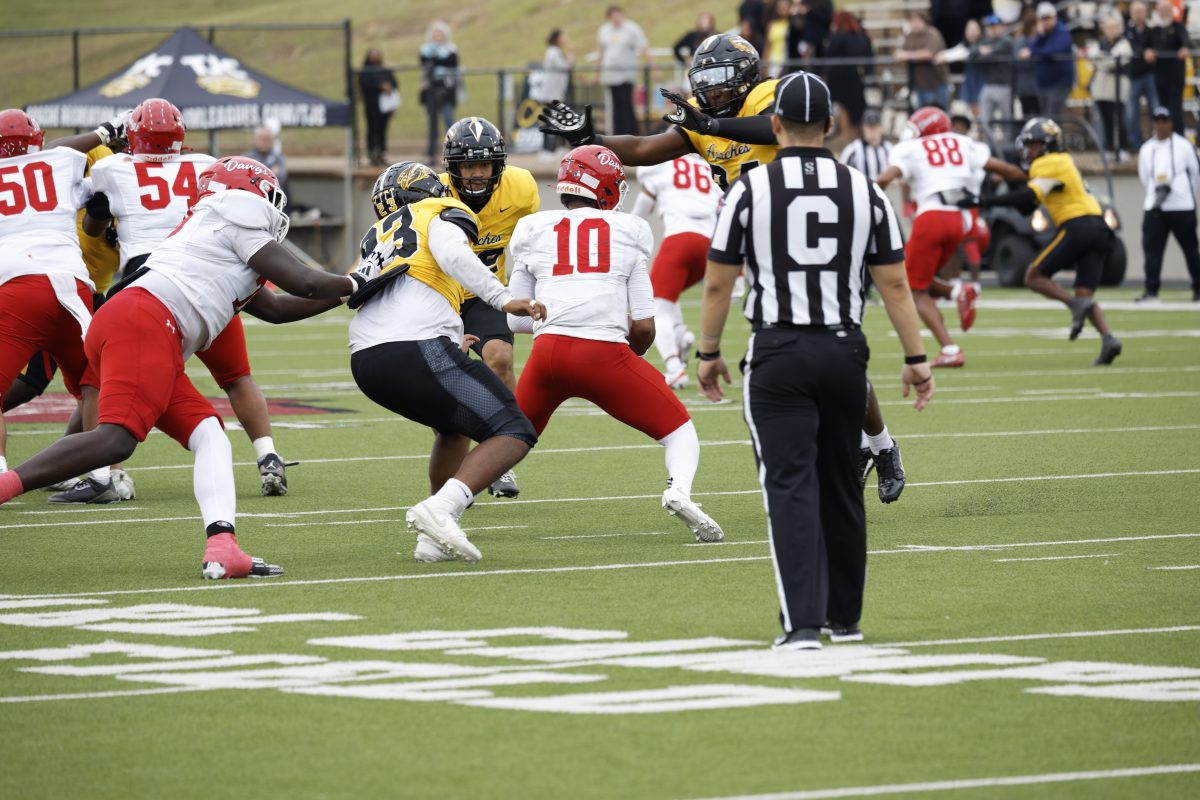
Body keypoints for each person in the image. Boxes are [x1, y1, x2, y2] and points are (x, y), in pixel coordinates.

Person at [538, 33, 909, 504]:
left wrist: (712, 124)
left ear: (747, 76)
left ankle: (881, 445)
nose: (713, 90)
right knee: (805, 347)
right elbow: (646, 148)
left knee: (830, 342)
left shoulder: (768, 95)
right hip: (758, 242)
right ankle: (861, 444)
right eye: (706, 82)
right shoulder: (703, 117)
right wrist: (591, 140)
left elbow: (774, 128)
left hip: (807, 233)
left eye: (722, 80)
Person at [1, 154, 366, 579]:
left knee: (210, 435)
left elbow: (278, 309)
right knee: (115, 440)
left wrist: (350, 293)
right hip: (147, 321)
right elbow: (304, 281)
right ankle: (6, 485)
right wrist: (360, 281)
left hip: (139, 321)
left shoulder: (214, 228)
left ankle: (223, 547)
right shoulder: (236, 214)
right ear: (251, 193)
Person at [695, 72, 935, 650]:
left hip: (778, 351)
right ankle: (845, 619)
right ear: (830, 125)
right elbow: (895, 285)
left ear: (775, 124)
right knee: (841, 485)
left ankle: (802, 624)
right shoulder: (865, 189)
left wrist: (708, 351)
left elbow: (718, 283)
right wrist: (916, 357)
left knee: (789, 488)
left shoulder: (750, 189)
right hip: (844, 351)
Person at [506, 146, 724, 543]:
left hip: (547, 354)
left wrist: (557, 316)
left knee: (507, 440)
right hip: (605, 354)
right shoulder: (629, 230)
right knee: (680, 431)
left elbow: (515, 319)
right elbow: (644, 325)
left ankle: (447, 505)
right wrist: (625, 352)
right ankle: (679, 490)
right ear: (605, 187)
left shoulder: (532, 228)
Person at [85, 98, 295, 499]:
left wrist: (113, 226)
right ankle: (267, 454)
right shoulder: (205, 164)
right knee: (236, 376)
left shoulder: (114, 167)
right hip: (211, 276)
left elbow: (94, 226)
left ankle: (107, 474)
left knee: (96, 379)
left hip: (151, 281)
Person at [347, 161, 544, 564]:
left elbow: (381, 292)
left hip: (366, 359)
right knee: (514, 429)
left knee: (454, 430)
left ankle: (433, 538)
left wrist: (451, 337)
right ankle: (439, 510)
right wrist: (503, 298)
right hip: (414, 346)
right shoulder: (435, 212)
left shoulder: (377, 236)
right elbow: (455, 255)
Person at [0, 110, 105, 489]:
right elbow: (98, 199)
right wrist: (107, 133)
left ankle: (1, 476)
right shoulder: (60, 163)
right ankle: (102, 474)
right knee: (95, 383)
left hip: (17, 287)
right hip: (72, 286)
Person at [962, 118, 1123, 365]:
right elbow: (1028, 206)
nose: (1029, 150)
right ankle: (1108, 338)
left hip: (1078, 226)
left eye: (1033, 144)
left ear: (1047, 144)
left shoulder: (1047, 162)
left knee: (1033, 276)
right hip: (1099, 228)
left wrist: (985, 201)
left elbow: (1027, 195)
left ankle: (1073, 305)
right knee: (1085, 294)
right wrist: (1009, 183)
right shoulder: (1062, 161)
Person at [877, 107, 1028, 367]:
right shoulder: (964, 143)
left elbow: (885, 179)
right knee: (919, 279)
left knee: (913, 289)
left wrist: (861, 195)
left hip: (931, 218)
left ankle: (949, 348)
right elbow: (1006, 169)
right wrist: (1032, 180)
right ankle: (958, 291)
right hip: (958, 221)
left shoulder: (912, 149)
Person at [439, 117, 541, 498]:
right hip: (440, 296)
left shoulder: (521, 187)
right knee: (445, 390)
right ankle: (457, 472)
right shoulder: (433, 192)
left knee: (499, 358)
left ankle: (502, 456)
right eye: (468, 165)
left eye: (484, 163)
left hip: (488, 294)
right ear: (453, 166)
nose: (477, 173)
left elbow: (531, 246)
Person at [631, 151, 721, 388]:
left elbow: (643, 207)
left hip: (680, 239)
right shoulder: (707, 168)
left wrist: (627, 232)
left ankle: (674, 367)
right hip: (710, 246)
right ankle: (680, 334)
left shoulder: (661, 164)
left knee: (656, 305)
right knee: (668, 296)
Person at [1136, 107, 1200, 302]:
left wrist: (1186, 194)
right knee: (1151, 251)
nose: (1161, 125)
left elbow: (1195, 173)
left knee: (1191, 250)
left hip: (1182, 206)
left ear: (1171, 123)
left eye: (1165, 120)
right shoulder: (1147, 149)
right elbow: (1144, 176)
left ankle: (1198, 289)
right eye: (1157, 121)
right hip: (1155, 207)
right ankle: (1151, 292)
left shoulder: (1184, 146)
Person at [596, 6, 649, 136]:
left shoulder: (631, 29)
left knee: (626, 104)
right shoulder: (604, 31)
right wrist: (597, 73)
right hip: (610, 75)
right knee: (615, 106)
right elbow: (601, 53)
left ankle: (631, 133)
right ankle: (617, 133)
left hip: (626, 75)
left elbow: (643, 47)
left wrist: (651, 65)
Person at [1089, 14, 1134, 161]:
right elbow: (1092, 57)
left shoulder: (1124, 43)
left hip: (1117, 89)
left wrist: (1101, 60)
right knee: (1106, 119)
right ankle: (1109, 148)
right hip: (1101, 89)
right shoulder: (1100, 43)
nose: (1111, 30)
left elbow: (1112, 61)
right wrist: (1104, 59)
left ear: (1120, 28)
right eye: (1108, 27)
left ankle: (1122, 148)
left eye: (1114, 27)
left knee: (1119, 119)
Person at [1020, 3, 1075, 122]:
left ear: (1055, 17)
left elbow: (1051, 51)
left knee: (1052, 117)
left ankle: (1055, 135)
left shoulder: (1062, 32)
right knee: (1045, 117)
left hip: (1059, 83)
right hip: (1044, 84)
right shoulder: (1042, 34)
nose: (1046, 22)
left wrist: (1033, 52)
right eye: (1042, 19)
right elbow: (1031, 47)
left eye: (1048, 18)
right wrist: (1040, 35)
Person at [824, 11, 874, 133]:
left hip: (839, 78)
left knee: (843, 106)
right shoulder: (861, 36)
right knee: (856, 107)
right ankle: (858, 132)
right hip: (855, 76)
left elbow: (829, 54)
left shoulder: (837, 37)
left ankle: (846, 133)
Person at [1149, 0, 1193, 135]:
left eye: (1166, 9)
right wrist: (1146, 51)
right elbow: (1144, 45)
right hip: (1159, 75)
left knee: (1175, 108)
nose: (1164, 12)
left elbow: (1187, 41)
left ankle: (1178, 136)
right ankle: (1163, 135)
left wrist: (1185, 48)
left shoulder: (1178, 26)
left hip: (1175, 76)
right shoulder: (1154, 29)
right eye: (1161, 9)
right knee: (1162, 108)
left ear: (1170, 10)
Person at [420, 21, 459, 161]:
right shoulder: (426, 49)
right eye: (436, 34)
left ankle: (454, 148)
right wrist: (439, 60)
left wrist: (436, 60)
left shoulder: (451, 49)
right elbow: (426, 62)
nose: (438, 36)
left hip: (446, 88)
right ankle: (431, 150)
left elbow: (452, 62)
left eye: (440, 34)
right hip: (431, 87)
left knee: (449, 119)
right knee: (432, 122)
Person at [896, 11, 951, 109]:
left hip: (936, 83)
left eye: (917, 21)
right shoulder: (910, 36)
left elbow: (928, 54)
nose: (915, 24)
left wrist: (908, 55)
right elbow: (899, 54)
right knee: (922, 113)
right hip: (920, 84)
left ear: (924, 21)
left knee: (938, 112)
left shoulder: (932, 34)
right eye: (912, 21)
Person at [1125, 1, 1159, 150]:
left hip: (1150, 74)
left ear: (1145, 13)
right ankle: (1136, 143)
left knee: (1155, 108)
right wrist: (1143, 52)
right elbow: (1130, 47)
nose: (1139, 15)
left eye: (1141, 12)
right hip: (1133, 76)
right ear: (1131, 14)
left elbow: (1156, 46)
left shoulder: (1152, 30)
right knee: (1132, 111)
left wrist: (1151, 52)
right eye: (1136, 12)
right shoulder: (1127, 31)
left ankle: (1157, 140)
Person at [535, 31, 574, 156]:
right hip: (551, 94)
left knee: (559, 119)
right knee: (550, 120)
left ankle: (558, 147)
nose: (565, 38)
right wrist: (570, 59)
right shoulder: (553, 52)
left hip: (556, 93)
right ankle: (547, 149)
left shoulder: (556, 51)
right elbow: (563, 67)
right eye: (563, 36)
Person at [973, 15, 1015, 128]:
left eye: (995, 26)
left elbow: (991, 54)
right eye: (990, 27)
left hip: (1003, 86)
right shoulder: (985, 41)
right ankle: (990, 141)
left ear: (1002, 27)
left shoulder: (1007, 41)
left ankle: (1008, 140)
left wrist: (985, 53)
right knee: (984, 121)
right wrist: (982, 52)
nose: (992, 29)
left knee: (1006, 120)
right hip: (987, 85)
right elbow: (972, 53)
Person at [359, 49, 398, 167]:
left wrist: (388, 86)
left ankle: (381, 154)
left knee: (382, 130)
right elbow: (365, 85)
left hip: (384, 107)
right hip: (371, 106)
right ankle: (372, 155)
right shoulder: (365, 71)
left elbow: (394, 83)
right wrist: (379, 86)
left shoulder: (384, 70)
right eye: (373, 55)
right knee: (372, 130)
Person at [839, 107, 891, 181]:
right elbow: (841, 175)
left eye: (875, 127)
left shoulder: (889, 149)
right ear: (863, 128)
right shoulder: (852, 150)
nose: (872, 131)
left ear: (881, 128)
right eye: (869, 127)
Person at [242, 126, 290, 199]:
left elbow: (281, 177)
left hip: (273, 196)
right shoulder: (247, 158)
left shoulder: (278, 157)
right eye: (261, 138)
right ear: (256, 140)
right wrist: (270, 173)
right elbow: (245, 179)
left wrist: (256, 175)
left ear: (271, 140)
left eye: (267, 139)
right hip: (253, 196)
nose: (264, 142)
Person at [1014, 8, 1042, 116]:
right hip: (1026, 86)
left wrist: (1032, 53)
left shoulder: (1040, 38)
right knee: (1027, 114)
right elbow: (1017, 61)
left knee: (1040, 114)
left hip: (1040, 85)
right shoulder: (1021, 41)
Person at [765, 0, 794, 76]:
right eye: (780, 7)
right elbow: (768, 45)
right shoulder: (772, 24)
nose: (782, 9)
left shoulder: (792, 24)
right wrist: (765, 65)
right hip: (774, 61)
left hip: (787, 60)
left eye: (785, 7)